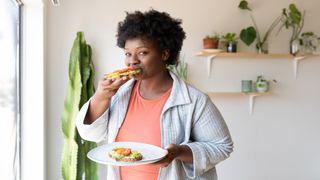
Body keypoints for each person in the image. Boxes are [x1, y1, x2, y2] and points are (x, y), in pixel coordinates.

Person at [76, 9, 233, 180]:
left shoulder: (195, 100)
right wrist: (101, 96)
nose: (132, 60)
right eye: (128, 53)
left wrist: (177, 152)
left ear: (164, 54)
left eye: (142, 52)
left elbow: (222, 147)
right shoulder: (118, 93)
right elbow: (89, 134)